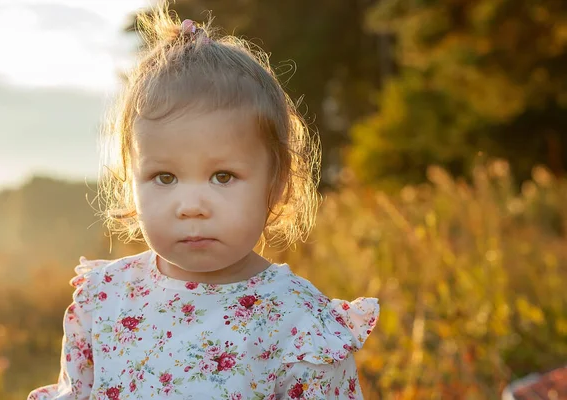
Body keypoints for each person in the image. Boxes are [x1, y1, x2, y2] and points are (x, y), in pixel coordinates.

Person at [28, 4, 379, 399]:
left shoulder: (299, 324)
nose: (191, 206)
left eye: (222, 177)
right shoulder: (104, 297)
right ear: (131, 184)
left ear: (278, 183)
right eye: (165, 177)